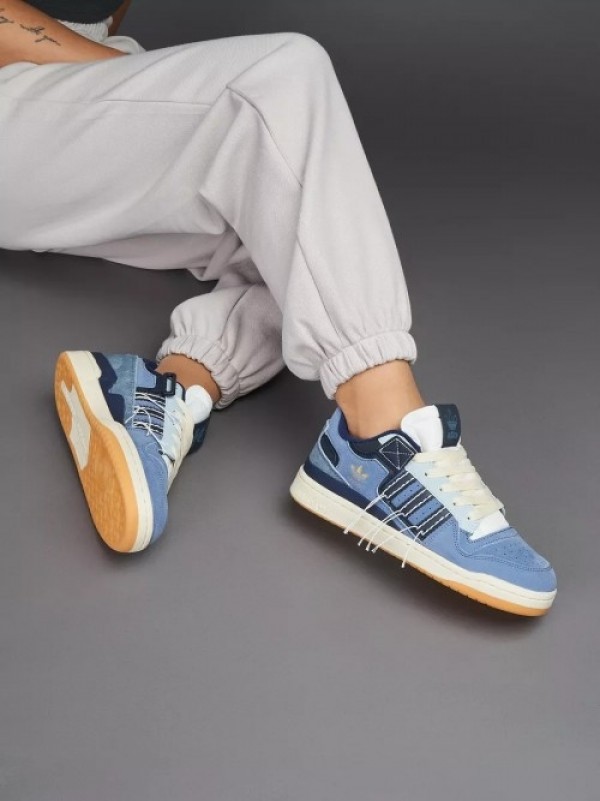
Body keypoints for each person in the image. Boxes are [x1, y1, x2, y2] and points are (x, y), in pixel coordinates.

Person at [0, 0, 557, 616]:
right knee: (283, 76)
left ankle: (170, 389)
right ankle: (383, 435)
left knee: (299, 223)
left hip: (58, 103)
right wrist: (139, 81)